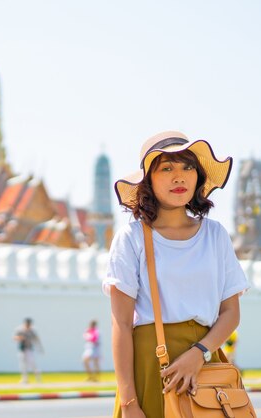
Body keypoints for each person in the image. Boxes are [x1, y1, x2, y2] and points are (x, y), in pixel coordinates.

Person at [103, 131, 250, 418]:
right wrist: (131, 403)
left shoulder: (215, 235)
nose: (179, 176)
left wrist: (199, 353)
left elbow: (231, 312)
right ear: (148, 181)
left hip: (205, 361)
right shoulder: (131, 238)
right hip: (150, 365)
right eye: (166, 168)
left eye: (188, 167)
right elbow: (120, 323)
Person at [13, 317, 43, 384]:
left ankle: (38, 378)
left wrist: (40, 348)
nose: (28, 325)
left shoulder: (32, 330)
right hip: (22, 349)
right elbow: (14, 337)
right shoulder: (19, 330)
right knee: (22, 365)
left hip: (29, 349)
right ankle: (25, 379)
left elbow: (37, 339)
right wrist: (20, 338)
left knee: (32, 364)